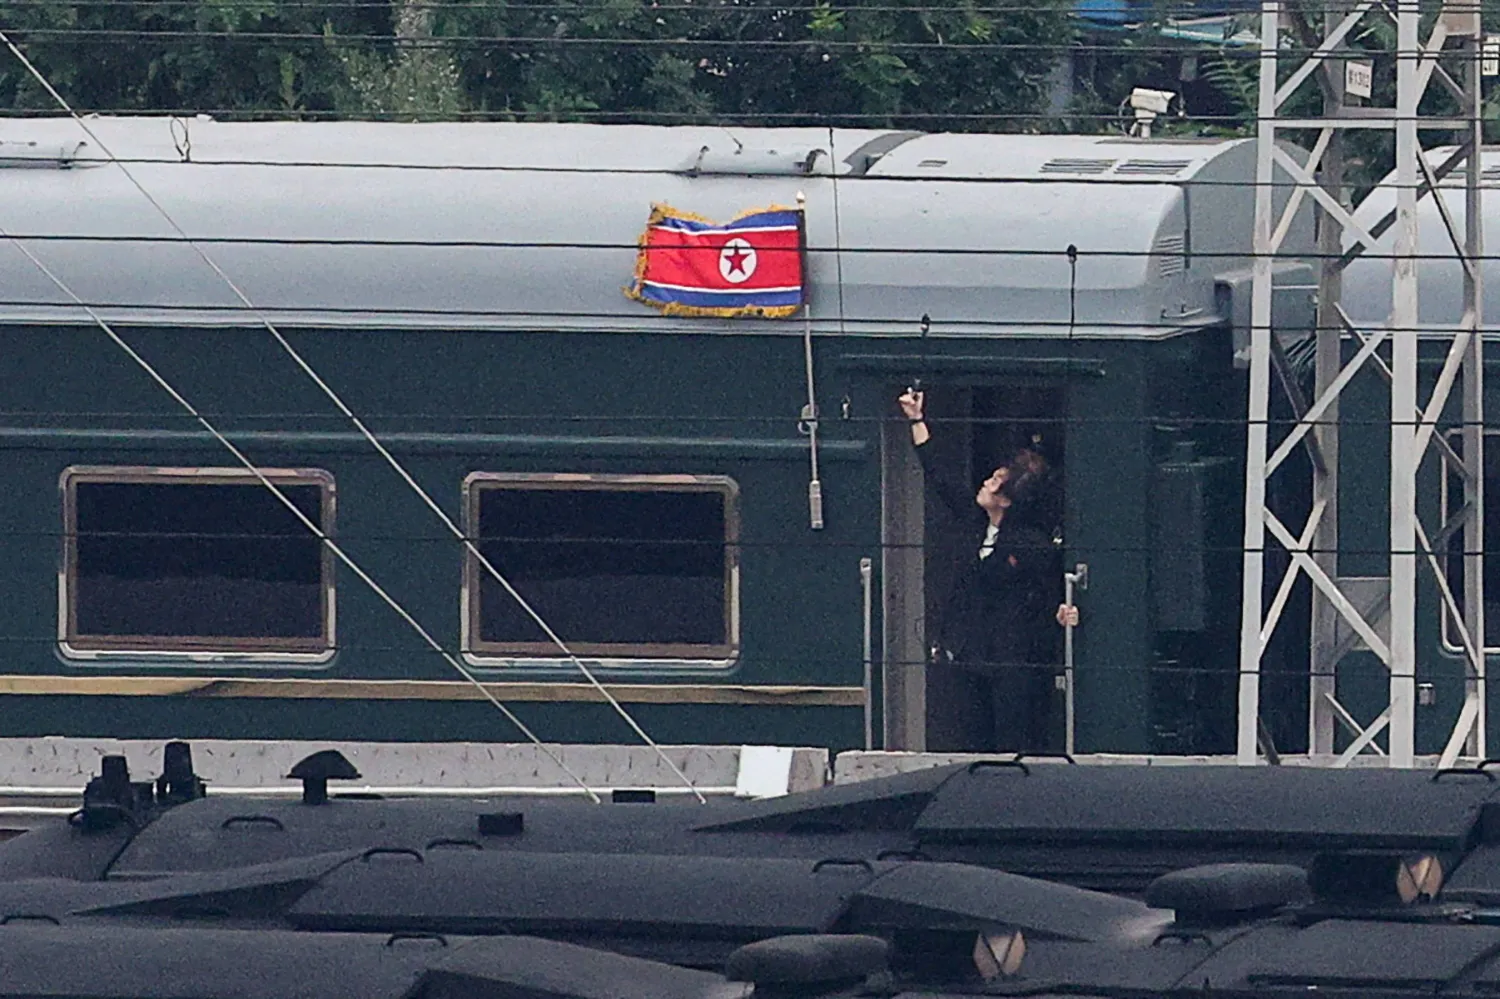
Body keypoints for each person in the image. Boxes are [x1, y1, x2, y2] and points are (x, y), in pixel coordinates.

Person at [899, 388, 1079, 752]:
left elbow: (1047, 592)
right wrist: (917, 421)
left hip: (1012, 660)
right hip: (971, 653)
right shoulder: (974, 521)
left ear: (1008, 499)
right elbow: (940, 479)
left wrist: (1061, 611)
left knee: (1011, 736)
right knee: (971, 733)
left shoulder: (1029, 544)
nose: (985, 483)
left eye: (995, 483)